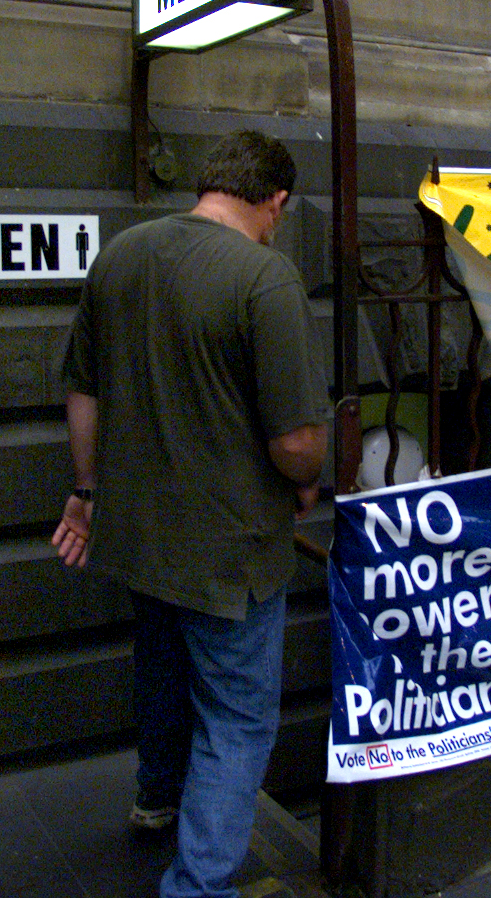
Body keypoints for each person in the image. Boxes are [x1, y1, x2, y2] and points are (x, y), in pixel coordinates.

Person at [51, 130, 329, 898]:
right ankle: (199, 887)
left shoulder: (120, 255)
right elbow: (297, 441)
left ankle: (154, 799)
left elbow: (83, 388)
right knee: (236, 722)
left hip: (136, 534)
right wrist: (308, 478)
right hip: (228, 553)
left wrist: (87, 491)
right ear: (273, 200)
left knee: (164, 672)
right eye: (280, 211)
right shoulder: (264, 277)